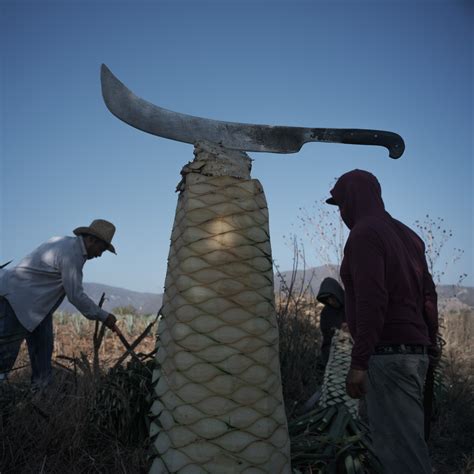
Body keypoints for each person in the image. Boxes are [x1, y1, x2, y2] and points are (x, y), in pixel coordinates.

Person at [326, 169, 439, 474]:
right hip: (412, 353)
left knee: (403, 459)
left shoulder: (364, 234)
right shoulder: (407, 235)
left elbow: (372, 301)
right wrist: (432, 346)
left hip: (387, 357)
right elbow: (429, 296)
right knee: (381, 450)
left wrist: (359, 363)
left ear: (351, 200)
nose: (340, 213)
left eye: (340, 205)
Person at [0, 219, 119, 388]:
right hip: (16, 303)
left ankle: (40, 397)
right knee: (3, 360)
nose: (100, 254)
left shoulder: (65, 244)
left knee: (43, 357)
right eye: (101, 249)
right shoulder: (72, 253)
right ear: (91, 240)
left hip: (37, 310)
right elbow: (76, 296)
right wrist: (104, 316)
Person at [316, 276, 345, 367]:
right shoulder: (326, 313)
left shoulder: (352, 305)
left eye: (332, 298)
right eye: (327, 299)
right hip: (335, 359)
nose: (331, 301)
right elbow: (327, 339)